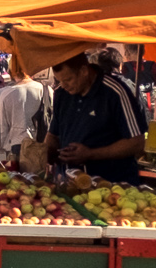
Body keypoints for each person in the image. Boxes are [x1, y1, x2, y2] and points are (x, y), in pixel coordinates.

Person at [48, 49, 145, 182]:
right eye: (59, 81)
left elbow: (137, 143)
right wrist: (45, 152)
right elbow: (53, 135)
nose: (64, 85)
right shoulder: (61, 94)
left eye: (68, 80)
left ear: (84, 71)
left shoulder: (114, 92)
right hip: (70, 184)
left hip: (112, 185)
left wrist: (91, 154)